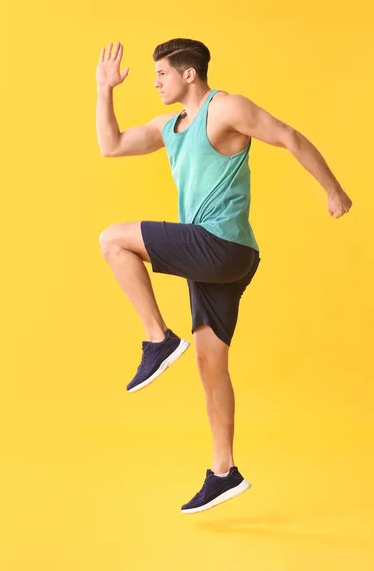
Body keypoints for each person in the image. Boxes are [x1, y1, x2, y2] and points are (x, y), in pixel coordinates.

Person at [95, 38, 353, 514]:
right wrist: (103, 89)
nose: (153, 82)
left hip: (220, 245)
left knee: (113, 239)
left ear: (188, 74)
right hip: (220, 257)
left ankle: (157, 339)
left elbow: (290, 137)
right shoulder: (168, 127)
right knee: (210, 364)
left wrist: (333, 190)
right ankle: (223, 472)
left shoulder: (226, 108)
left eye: (161, 75)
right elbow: (110, 147)